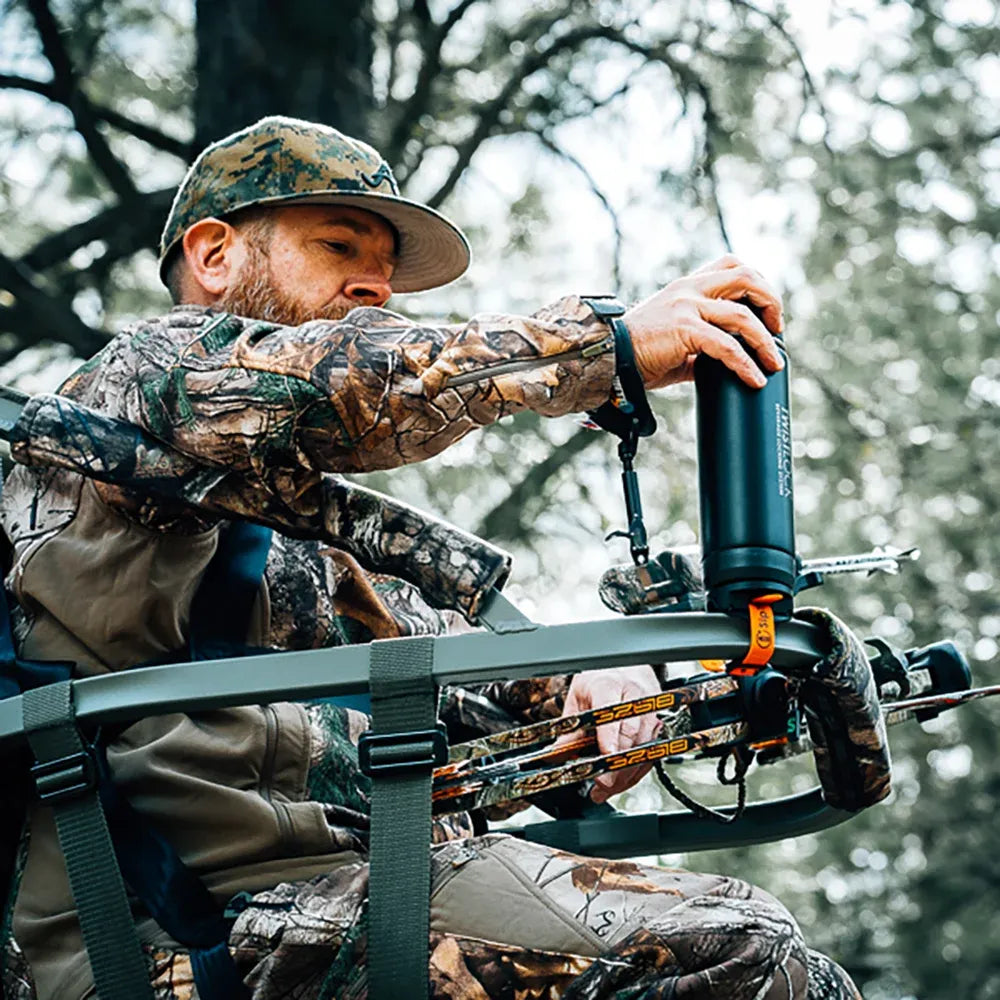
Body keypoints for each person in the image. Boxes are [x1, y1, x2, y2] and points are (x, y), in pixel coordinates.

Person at [0, 116, 862, 1000]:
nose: (375, 286)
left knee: (810, 977)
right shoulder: (132, 392)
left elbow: (496, 703)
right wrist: (608, 346)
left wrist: (605, 699)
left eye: (387, 271)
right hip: (171, 943)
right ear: (215, 255)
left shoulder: (328, 557)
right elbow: (342, 381)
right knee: (746, 954)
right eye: (339, 245)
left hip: (351, 905)